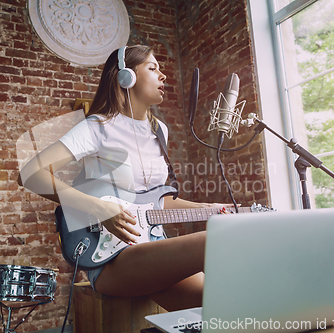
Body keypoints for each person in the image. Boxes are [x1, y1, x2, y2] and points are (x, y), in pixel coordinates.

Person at [18, 45, 232, 311]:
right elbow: (29, 173)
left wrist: (206, 209)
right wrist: (100, 209)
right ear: (125, 78)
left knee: (223, 302)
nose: (162, 76)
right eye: (153, 68)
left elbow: (156, 202)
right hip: (111, 258)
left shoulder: (159, 131)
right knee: (220, 239)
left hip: (154, 245)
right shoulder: (97, 126)